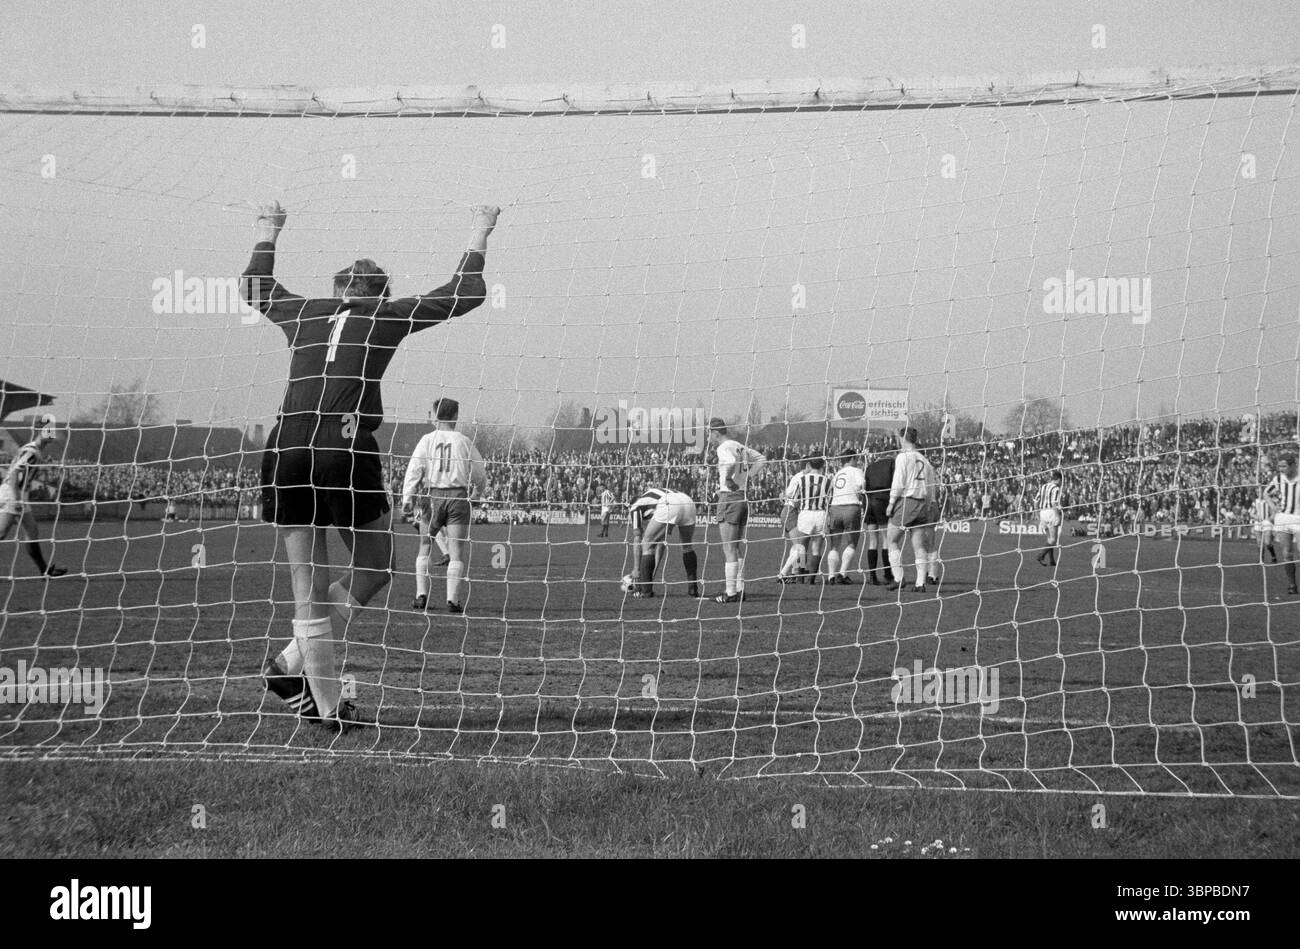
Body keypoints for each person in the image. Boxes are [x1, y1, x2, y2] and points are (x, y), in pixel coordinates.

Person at [243, 199, 499, 728]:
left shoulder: (305, 310)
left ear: (337, 290)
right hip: (344, 445)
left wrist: (269, 228)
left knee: (306, 585)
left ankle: (307, 686)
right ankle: (306, 685)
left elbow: (252, 286)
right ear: (379, 295)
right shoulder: (386, 313)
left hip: (287, 443)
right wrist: (481, 229)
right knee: (378, 567)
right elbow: (465, 292)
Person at [402, 398, 487, 613]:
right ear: (456, 416)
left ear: (435, 414)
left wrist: (407, 498)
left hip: (432, 497)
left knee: (425, 545)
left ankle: (421, 596)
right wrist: (477, 491)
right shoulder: (464, 441)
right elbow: (480, 473)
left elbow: (414, 469)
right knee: (456, 550)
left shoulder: (427, 440)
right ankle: (453, 600)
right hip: (458, 497)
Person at [0, 416, 68, 578]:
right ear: (40, 431)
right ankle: (45, 571)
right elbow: (15, 472)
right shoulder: (30, 451)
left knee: (32, 531)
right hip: (12, 494)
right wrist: (17, 499)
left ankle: (45, 571)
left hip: (19, 495)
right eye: (48, 430)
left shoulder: (34, 451)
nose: (52, 434)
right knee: (1, 533)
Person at [707, 419, 766, 603]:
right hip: (742, 497)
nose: (709, 438)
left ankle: (730, 592)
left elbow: (731, 462)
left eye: (709, 433)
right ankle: (739, 589)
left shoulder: (723, 447)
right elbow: (762, 459)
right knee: (736, 548)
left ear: (716, 432)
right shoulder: (739, 445)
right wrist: (748, 475)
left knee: (729, 548)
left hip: (730, 498)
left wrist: (728, 480)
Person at [885, 427, 937, 594]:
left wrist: (891, 503)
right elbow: (930, 488)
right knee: (919, 544)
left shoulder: (903, 457)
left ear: (902, 438)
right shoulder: (925, 460)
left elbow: (898, 483)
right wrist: (927, 506)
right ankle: (920, 583)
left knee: (891, 539)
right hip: (922, 503)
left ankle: (898, 578)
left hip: (907, 502)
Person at [629, 480, 701, 598]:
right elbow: (661, 543)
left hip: (669, 503)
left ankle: (645, 591)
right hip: (687, 500)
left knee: (646, 543)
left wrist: (636, 570)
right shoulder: (652, 503)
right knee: (687, 546)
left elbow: (637, 538)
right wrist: (651, 574)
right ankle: (693, 589)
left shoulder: (635, 506)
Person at [779, 455, 832, 583]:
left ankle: (799, 577)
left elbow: (795, 500)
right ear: (823, 466)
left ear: (810, 465)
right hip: (821, 514)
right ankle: (811, 579)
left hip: (805, 514)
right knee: (816, 548)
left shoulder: (802, 479)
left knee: (801, 547)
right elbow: (829, 499)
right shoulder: (828, 480)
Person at [824, 451, 864, 584]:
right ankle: (842, 573)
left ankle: (830, 576)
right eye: (856, 459)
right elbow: (860, 485)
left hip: (834, 508)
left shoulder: (838, 473)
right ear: (852, 458)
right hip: (851, 507)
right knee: (852, 543)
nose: (857, 461)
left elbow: (830, 490)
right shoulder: (856, 470)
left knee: (834, 545)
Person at [1265, 453, 1300, 595]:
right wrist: (1273, 507)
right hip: (1283, 519)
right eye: (1279, 466)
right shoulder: (1278, 479)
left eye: (1284, 466)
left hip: (1298, 518)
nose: (1281, 469)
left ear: (1293, 465)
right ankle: (1292, 585)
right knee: (1287, 554)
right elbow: (1266, 493)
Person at [862, 447, 895, 585]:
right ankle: (888, 575)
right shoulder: (893, 464)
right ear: (892, 454)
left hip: (869, 501)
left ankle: (872, 576)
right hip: (883, 500)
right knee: (886, 539)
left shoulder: (870, 467)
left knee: (872, 540)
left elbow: (865, 485)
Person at [1035, 470, 1065, 567]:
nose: (1061, 483)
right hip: (1051, 512)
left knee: (1049, 539)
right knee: (1053, 540)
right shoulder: (1055, 488)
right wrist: (1057, 515)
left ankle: (1052, 561)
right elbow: (1053, 503)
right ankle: (1041, 555)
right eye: (1061, 481)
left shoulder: (1043, 486)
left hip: (1042, 512)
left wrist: (1037, 513)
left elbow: (1035, 501)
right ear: (1059, 479)